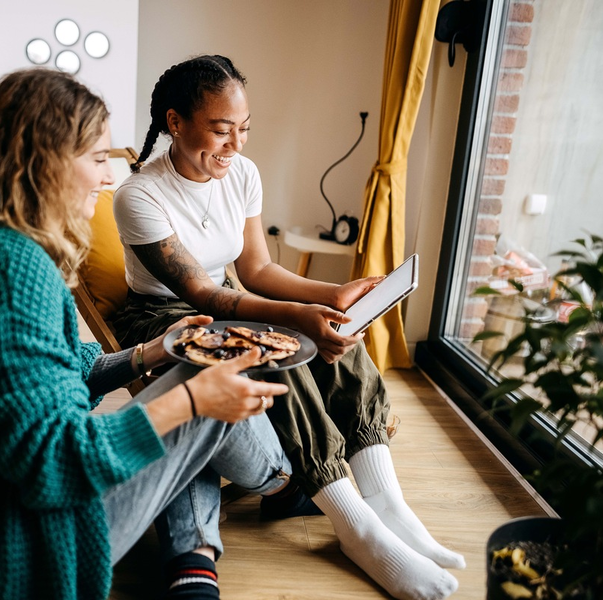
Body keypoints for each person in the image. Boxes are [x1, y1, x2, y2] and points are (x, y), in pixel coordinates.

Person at [0, 67, 300, 600]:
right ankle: (284, 481)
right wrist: (189, 401)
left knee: (189, 365)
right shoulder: (11, 277)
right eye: (95, 159)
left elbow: (61, 374)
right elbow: (54, 462)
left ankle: (199, 560)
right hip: (14, 556)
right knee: (199, 392)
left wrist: (146, 353)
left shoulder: (7, 251)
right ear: (40, 163)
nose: (109, 178)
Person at [112, 55, 465, 600]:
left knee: (335, 330)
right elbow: (203, 295)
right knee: (280, 344)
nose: (236, 146)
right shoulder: (138, 195)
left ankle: (387, 502)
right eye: (221, 130)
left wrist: (333, 296)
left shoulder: (243, 175)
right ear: (175, 122)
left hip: (224, 296)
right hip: (165, 314)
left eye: (245, 129)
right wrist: (298, 318)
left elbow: (256, 270)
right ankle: (357, 527)